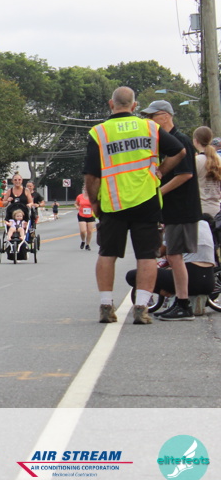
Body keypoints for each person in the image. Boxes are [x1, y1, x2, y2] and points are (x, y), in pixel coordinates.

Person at [84, 87, 184, 324]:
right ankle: (141, 308)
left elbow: (91, 175)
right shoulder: (149, 127)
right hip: (146, 200)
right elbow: (178, 151)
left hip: (113, 202)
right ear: (135, 106)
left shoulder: (99, 132)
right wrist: (160, 171)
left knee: (107, 254)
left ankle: (106, 306)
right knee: (147, 256)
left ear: (111, 104)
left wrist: (94, 201)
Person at [140, 99, 202, 321]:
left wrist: (159, 193)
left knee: (175, 255)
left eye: (152, 116)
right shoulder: (164, 142)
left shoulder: (180, 140)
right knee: (174, 255)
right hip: (173, 210)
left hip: (182, 208)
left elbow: (185, 174)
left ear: (165, 116)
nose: (149, 120)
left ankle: (183, 304)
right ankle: (180, 302)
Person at [125, 214, 217, 316]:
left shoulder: (175, 224)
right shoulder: (204, 225)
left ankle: (168, 293)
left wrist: (159, 233)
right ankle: (190, 299)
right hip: (209, 282)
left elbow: (159, 252)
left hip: (189, 280)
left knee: (132, 275)